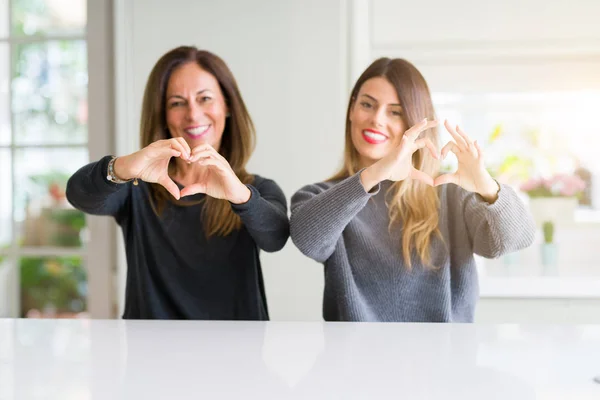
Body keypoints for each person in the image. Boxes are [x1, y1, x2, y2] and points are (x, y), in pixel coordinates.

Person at [290, 57, 535, 322]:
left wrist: (487, 187)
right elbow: (307, 239)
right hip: (355, 360)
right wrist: (375, 173)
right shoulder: (320, 196)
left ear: (416, 123)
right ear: (351, 110)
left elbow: (515, 239)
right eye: (367, 104)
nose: (376, 119)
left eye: (395, 112)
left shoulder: (451, 193)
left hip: (446, 360)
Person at [66, 46, 289, 320]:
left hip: (236, 356)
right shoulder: (136, 190)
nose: (193, 115)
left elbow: (277, 237)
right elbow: (78, 193)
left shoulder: (258, 190)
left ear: (227, 106)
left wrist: (240, 196)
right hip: (152, 356)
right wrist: (124, 166)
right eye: (177, 103)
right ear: (163, 114)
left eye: (205, 98)